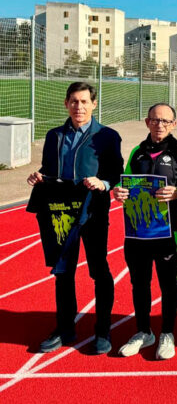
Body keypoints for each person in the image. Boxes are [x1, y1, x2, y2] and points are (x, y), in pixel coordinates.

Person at [27, 81, 123, 354]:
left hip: (92, 210)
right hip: (60, 210)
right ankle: (64, 328)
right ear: (66, 104)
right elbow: (49, 168)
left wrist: (103, 183)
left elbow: (116, 172)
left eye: (84, 102)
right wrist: (40, 176)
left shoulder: (107, 136)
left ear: (94, 104)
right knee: (63, 271)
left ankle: (102, 330)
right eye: (73, 101)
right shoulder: (54, 135)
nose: (78, 107)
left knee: (98, 269)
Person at [112, 103, 177, 360]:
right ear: (147, 122)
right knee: (139, 283)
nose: (159, 125)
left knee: (168, 284)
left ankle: (167, 333)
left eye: (165, 121)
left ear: (173, 124)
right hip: (137, 232)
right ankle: (143, 331)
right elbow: (125, 182)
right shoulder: (137, 152)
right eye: (154, 120)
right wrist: (118, 192)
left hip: (167, 234)